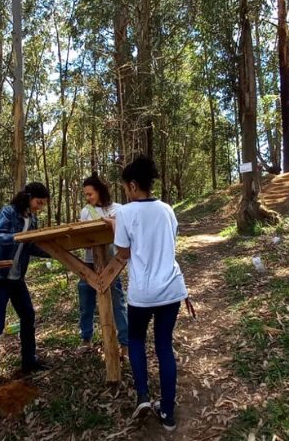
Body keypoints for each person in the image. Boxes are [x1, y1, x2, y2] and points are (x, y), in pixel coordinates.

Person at [108, 156, 187, 432]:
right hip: (171, 288)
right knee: (164, 345)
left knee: (137, 340)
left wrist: (114, 228)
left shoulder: (125, 214)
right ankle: (168, 412)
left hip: (143, 292)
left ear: (132, 185)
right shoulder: (167, 209)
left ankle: (142, 396)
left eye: (125, 187)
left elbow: (123, 252)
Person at [0, 182, 51, 386]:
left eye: (43, 203)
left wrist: (55, 252)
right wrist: (21, 236)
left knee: (28, 316)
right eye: (39, 202)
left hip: (16, 278)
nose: (40, 206)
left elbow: (32, 247)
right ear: (29, 197)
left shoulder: (33, 218)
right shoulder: (9, 212)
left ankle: (29, 361)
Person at [76, 174, 129, 355]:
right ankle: (86, 338)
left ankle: (125, 343)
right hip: (89, 264)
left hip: (111, 263)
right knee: (86, 302)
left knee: (118, 303)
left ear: (100, 191)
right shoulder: (86, 211)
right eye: (86, 195)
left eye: (90, 194)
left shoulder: (119, 209)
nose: (88, 198)